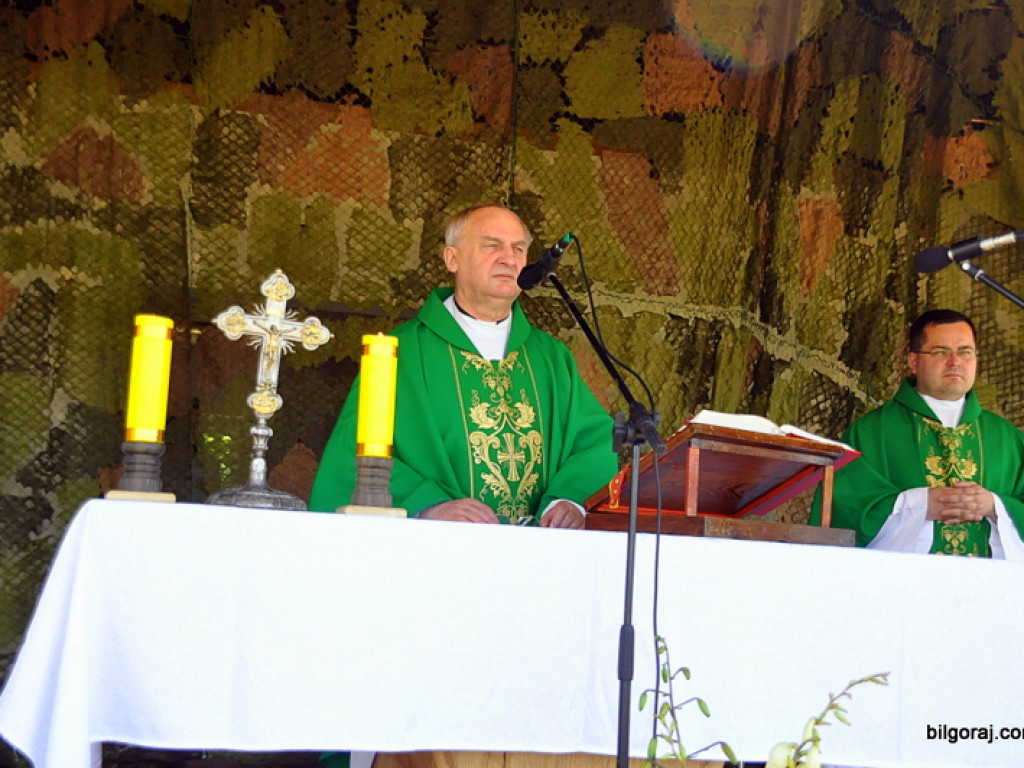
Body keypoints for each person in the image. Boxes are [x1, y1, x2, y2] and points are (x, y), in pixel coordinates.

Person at [309, 202, 619, 527]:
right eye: (491, 246)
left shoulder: (551, 357)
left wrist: (569, 499)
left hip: (535, 555)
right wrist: (429, 506)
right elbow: (352, 455)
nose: (508, 258)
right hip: (436, 552)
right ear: (452, 259)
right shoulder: (401, 353)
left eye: (518, 248)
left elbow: (594, 442)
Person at [811, 309, 1024, 558]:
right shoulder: (872, 432)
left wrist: (995, 507)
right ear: (913, 362)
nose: (955, 361)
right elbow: (843, 512)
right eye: (940, 352)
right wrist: (919, 505)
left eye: (965, 352)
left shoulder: (1008, 439)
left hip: (990, 589)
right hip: (902, 588)